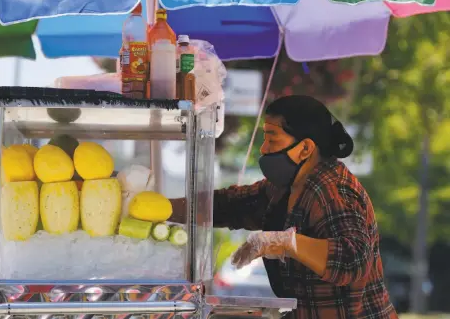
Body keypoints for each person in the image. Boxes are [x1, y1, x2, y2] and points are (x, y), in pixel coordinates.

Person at [170, 95, 397, 319]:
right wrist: (162, 207)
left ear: (306, 148)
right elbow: (231, 205)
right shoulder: (284, 187)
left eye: (272, 139)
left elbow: (353, 259)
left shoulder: (332, 190)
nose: (264, 149)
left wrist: (285, 243)